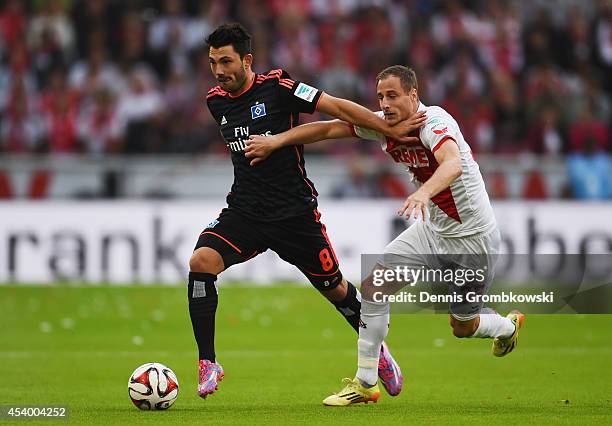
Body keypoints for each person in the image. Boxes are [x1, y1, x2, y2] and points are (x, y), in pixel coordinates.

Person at [246, 65, 525, 406]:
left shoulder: (435, 122)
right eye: (380, 96)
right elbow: (326, 130)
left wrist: (424, 193)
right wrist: (277, 141)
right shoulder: (383, 125)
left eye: (393, 95)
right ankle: (365, 383)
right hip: (432, 231)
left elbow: (451, 165)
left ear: (413, 94)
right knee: (374, 285)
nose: (385, 103)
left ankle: (507, 328)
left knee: (462, 327)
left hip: (472, 239)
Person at [190, 24, 425, 400]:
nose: (219, 70)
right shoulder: (215, 100)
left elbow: (336, 108)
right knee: (201, 261)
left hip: (294, 215)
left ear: (247, 60)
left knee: (337, 290)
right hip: (245, 211)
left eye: (226, 61)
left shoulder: (280, 88)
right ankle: (208, 362)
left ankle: (378, 353)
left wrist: (384, 127)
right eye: (213, 62)